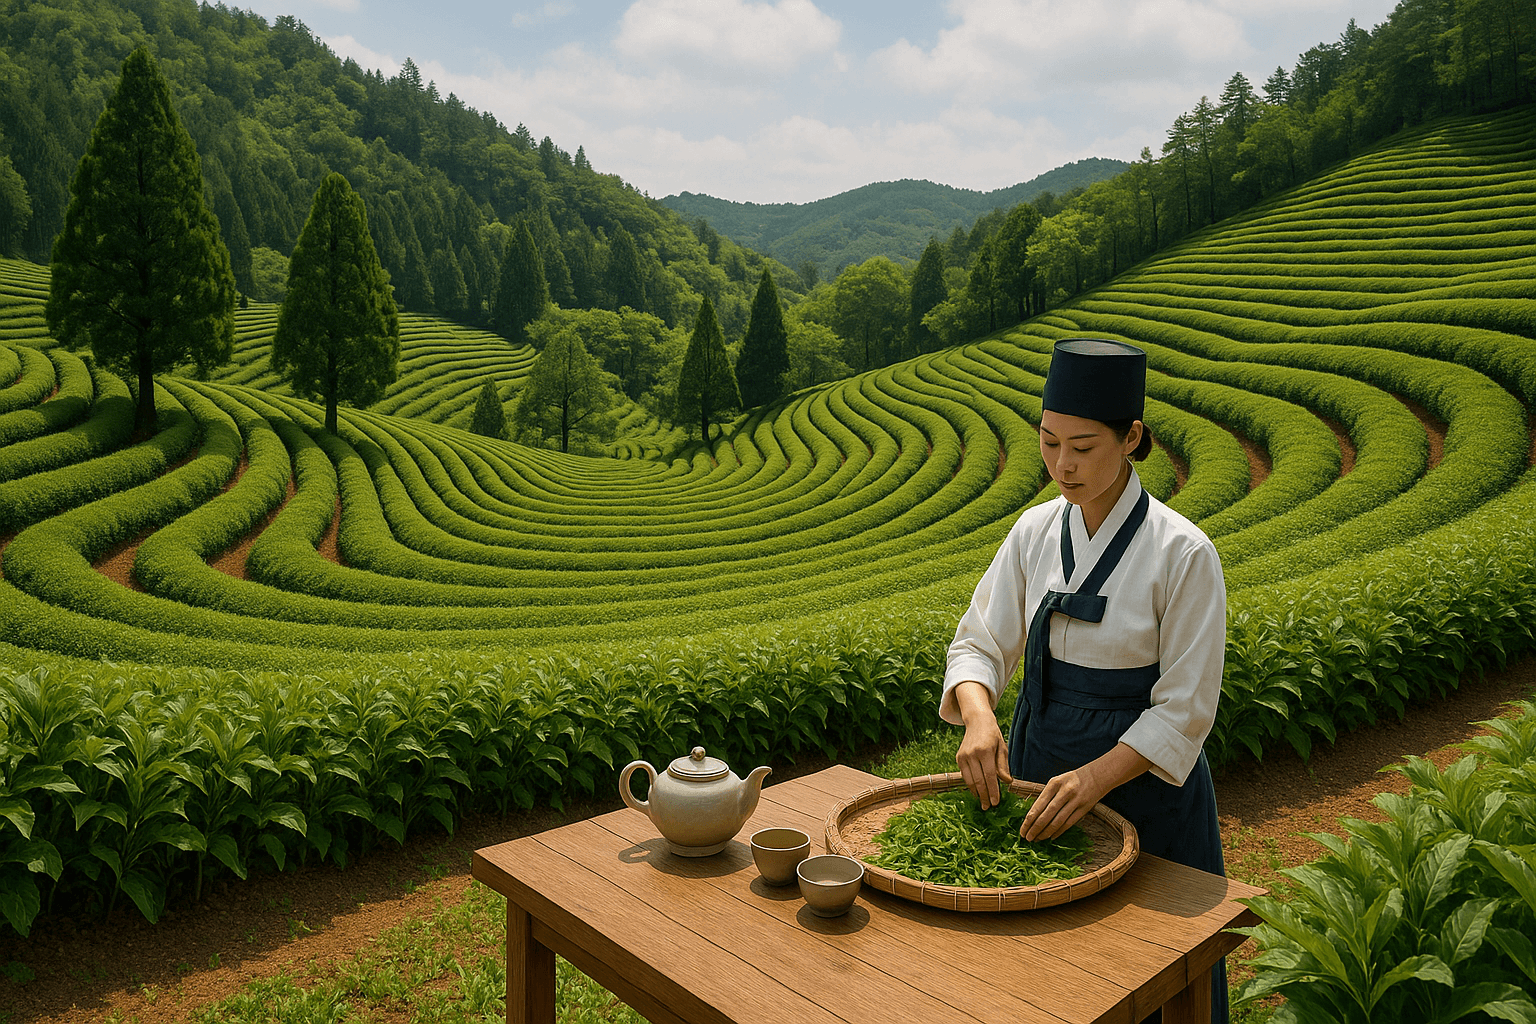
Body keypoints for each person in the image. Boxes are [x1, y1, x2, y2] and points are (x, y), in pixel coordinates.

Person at [942, 337, 1230, 1023]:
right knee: (1054, 977)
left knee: (1149, 975)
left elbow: (1184, 709)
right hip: (1043, 769)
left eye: (1083, 446)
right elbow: (979, 643)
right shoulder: (1034, 531)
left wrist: (1096, 779)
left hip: (1143, 787)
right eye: (1048, 443)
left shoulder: (1183, 552)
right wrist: (979, 716)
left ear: (1130, 438)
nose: (1062, 465)